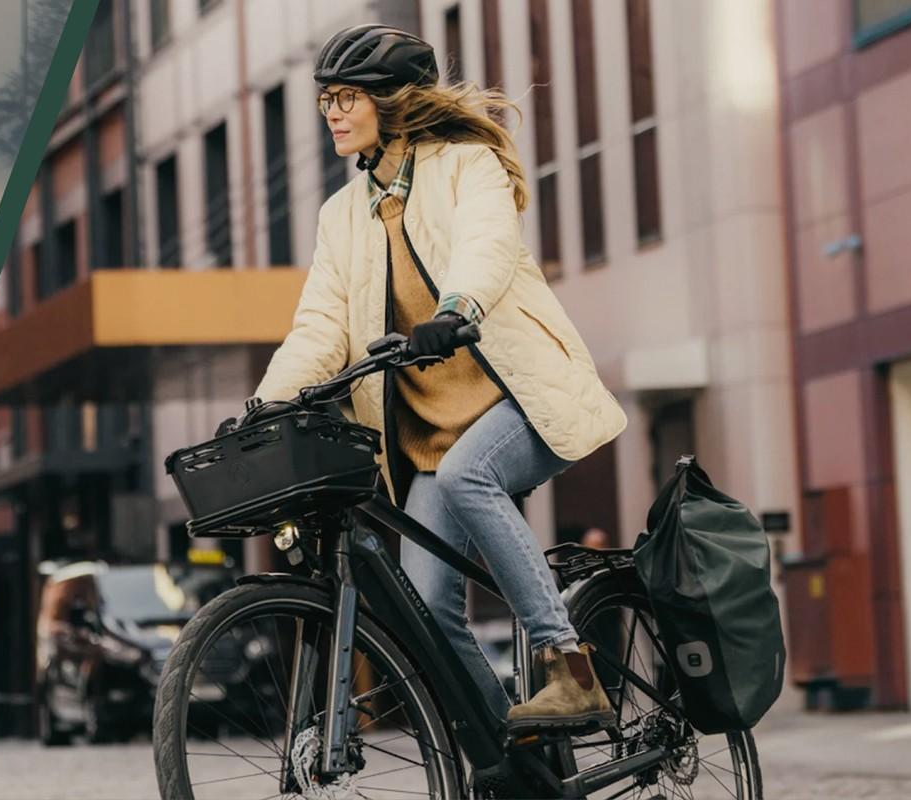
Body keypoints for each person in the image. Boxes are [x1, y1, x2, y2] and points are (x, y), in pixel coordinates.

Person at [248, 24, 628, 733]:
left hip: (519, 401)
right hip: (427, 439)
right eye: (326, 97)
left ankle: (569, 668)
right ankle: (507, 759)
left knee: (466, 476)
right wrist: (263, 406)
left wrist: (458, 310)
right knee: (425, 615)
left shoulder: (466, 164)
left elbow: (486, 242)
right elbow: (321, 326)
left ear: (391, 103)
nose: (331, 111)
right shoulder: (343, 216)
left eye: (347, 97)